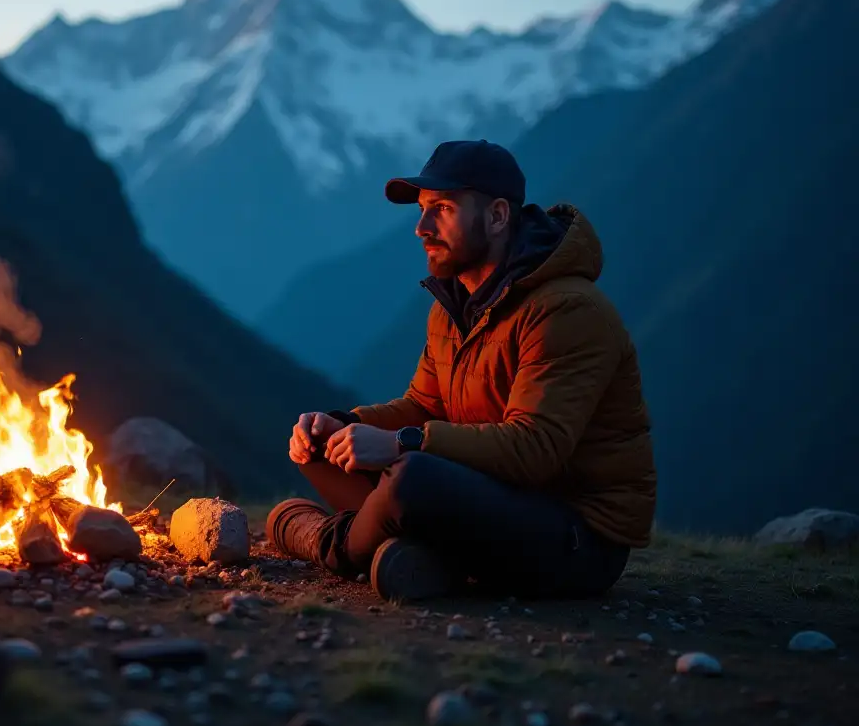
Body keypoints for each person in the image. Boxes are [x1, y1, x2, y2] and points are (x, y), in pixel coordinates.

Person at [266, 139, 656, 602]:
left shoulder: (566, 310)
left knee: (411, 477)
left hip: (575, 538)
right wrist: (347, 425)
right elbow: (425, 406)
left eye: (443, 208)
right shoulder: (455, 305)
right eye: (423, 209)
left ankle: (319, 538)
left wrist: (399, 443)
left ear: (496, 217)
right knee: (319, 447)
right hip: (493, 498)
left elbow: (537, 448)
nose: (422, 227)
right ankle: (418, 557)